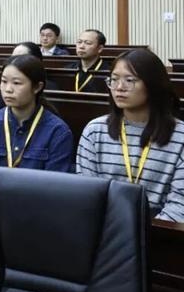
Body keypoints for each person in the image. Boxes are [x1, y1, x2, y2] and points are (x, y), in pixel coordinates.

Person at [77, 49, 184, 222]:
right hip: (104, 227)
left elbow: (180, 205)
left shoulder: (180, 136)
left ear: (153, 84)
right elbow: (86, 195)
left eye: (129, 80)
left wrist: (143, 233)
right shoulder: (94, 130)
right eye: (114, 80)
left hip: (160, 230)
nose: (119, 87)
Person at [0, 55, 73, 172]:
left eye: (16, 83)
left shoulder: (58, 131)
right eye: (4, 81)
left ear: (37, 87)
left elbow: (55, 181)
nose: (8, 89)